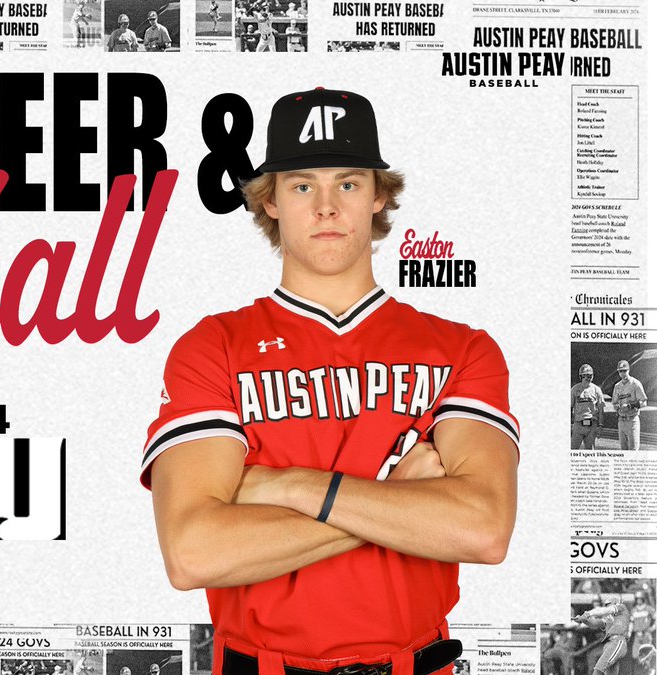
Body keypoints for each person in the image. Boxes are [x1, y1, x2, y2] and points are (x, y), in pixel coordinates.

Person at [146, 88, 518, 672]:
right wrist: (397, 498)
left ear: (378, 195)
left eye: (347, 183)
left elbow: (483, 530)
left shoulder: (462, 350)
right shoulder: (212, 348)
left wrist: (285, 485)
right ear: (270, 200)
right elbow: (193, 554)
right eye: (302, 186)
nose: (326, 207)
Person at [574, 599, 630, 675]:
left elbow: (603, 610)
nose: (607, 607)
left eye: (608, 604)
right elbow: (595, 624)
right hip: (609, 643)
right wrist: (584, 620)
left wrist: (587, 614)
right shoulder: (609, 617)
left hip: (618, 641)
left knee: (599, 668)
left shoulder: (621, 607)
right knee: (610, 673)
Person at [612, 359, 646, 450]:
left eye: (625, 371)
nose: (623, 373)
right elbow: (614, 402)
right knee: (623, 450)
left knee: (633, 451)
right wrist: (616, 407)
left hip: (632, 421)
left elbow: (644, 402)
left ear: (629, 370)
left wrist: (630, 406)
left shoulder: (635, 383)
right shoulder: (617, 386)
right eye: (620, 371)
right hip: (621, 421)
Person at [571, 363, 604, 449]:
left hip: (591, 425)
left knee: (590, 451)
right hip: (578, 424)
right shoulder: (575, 389)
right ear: (581, 376)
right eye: (585, 376)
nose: (588, 378)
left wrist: (600, 426)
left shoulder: (596, 389)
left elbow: (601, 409)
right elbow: (569, 408)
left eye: (590, 376)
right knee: (573, 450)